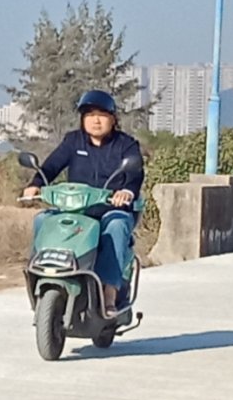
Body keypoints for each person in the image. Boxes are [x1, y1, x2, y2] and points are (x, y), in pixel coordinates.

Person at [22, 88, 144, 319]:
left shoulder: (126, 145)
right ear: (82, 119)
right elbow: (52, 165)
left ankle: (109, 292)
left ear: (113, 119)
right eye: (90, 115)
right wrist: (35, 183)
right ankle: (39, 275)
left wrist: (126, 192)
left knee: (116, 227)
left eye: (102, 115)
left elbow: (135, 174)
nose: (96, 120)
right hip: (75, 210)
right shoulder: (73, 141)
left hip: (110, 210)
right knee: (42, 220)